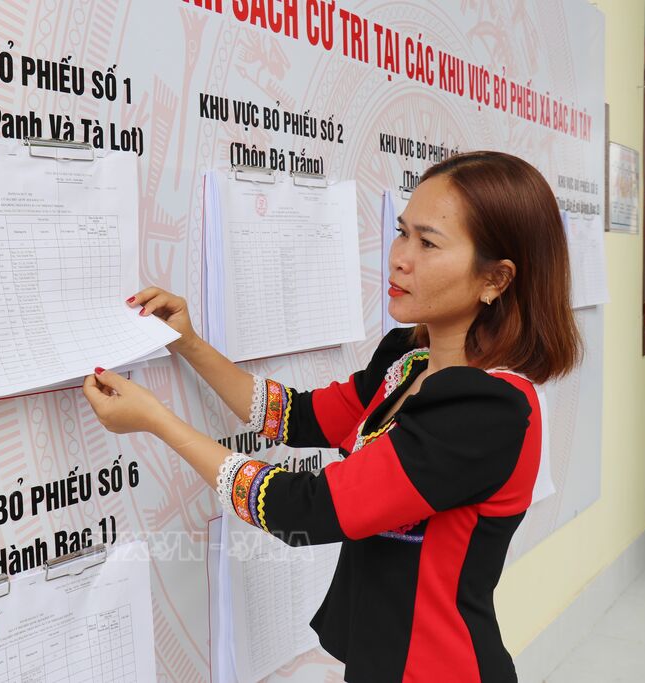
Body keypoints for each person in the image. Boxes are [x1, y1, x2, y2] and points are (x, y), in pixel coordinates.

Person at [82, 151, 582, 682]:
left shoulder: (488, 410)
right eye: (402, 232)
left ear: (496, 279)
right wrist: (187, 342)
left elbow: (306, 510)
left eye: (429, 243)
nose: (399, 258)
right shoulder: (407, 361)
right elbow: (294, 417)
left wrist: (158, 422)